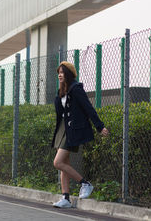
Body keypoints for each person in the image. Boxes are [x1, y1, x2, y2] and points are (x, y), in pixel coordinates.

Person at [52, 61, 109, 208]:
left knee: (57, 163)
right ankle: (65, 198)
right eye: (58, 72)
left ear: (69, 74)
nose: (59, 74)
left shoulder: (76, 89)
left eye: (62, 72)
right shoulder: (62, 91)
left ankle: (85, 183)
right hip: (63, 130)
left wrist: (99, 126)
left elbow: (88, 108)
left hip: (72, 130)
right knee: (64, 164)